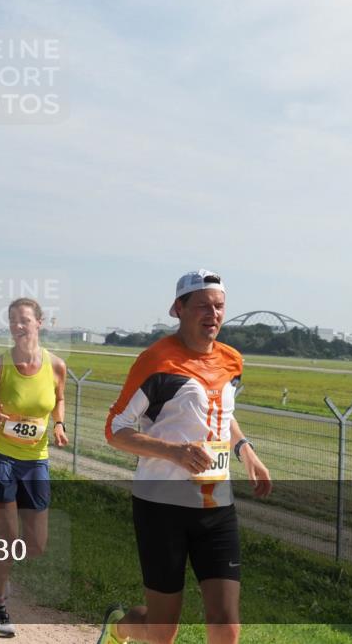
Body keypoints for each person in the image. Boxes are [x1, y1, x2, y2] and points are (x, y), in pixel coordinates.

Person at [99, 270, 272, 644]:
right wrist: (174, 452)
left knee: (226, 624)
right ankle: (119, 627)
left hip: (217, 505)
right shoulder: (156, 361)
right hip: (161, 507)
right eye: (203, 306)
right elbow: (115, 429)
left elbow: (220, 414)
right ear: (178, 309)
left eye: (219, 306)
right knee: (161, 630)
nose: (213, 314)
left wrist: (245, 450)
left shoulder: (232, 360)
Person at [0, 297, 68, 638]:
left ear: (40, 322)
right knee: (9, 536)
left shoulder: (56, 366)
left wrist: (59, 424)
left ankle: (0, 571)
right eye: (13, 320)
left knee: (36, 545)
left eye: (24, 319)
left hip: (35, 460)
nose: (18, 325)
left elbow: (59, 398)